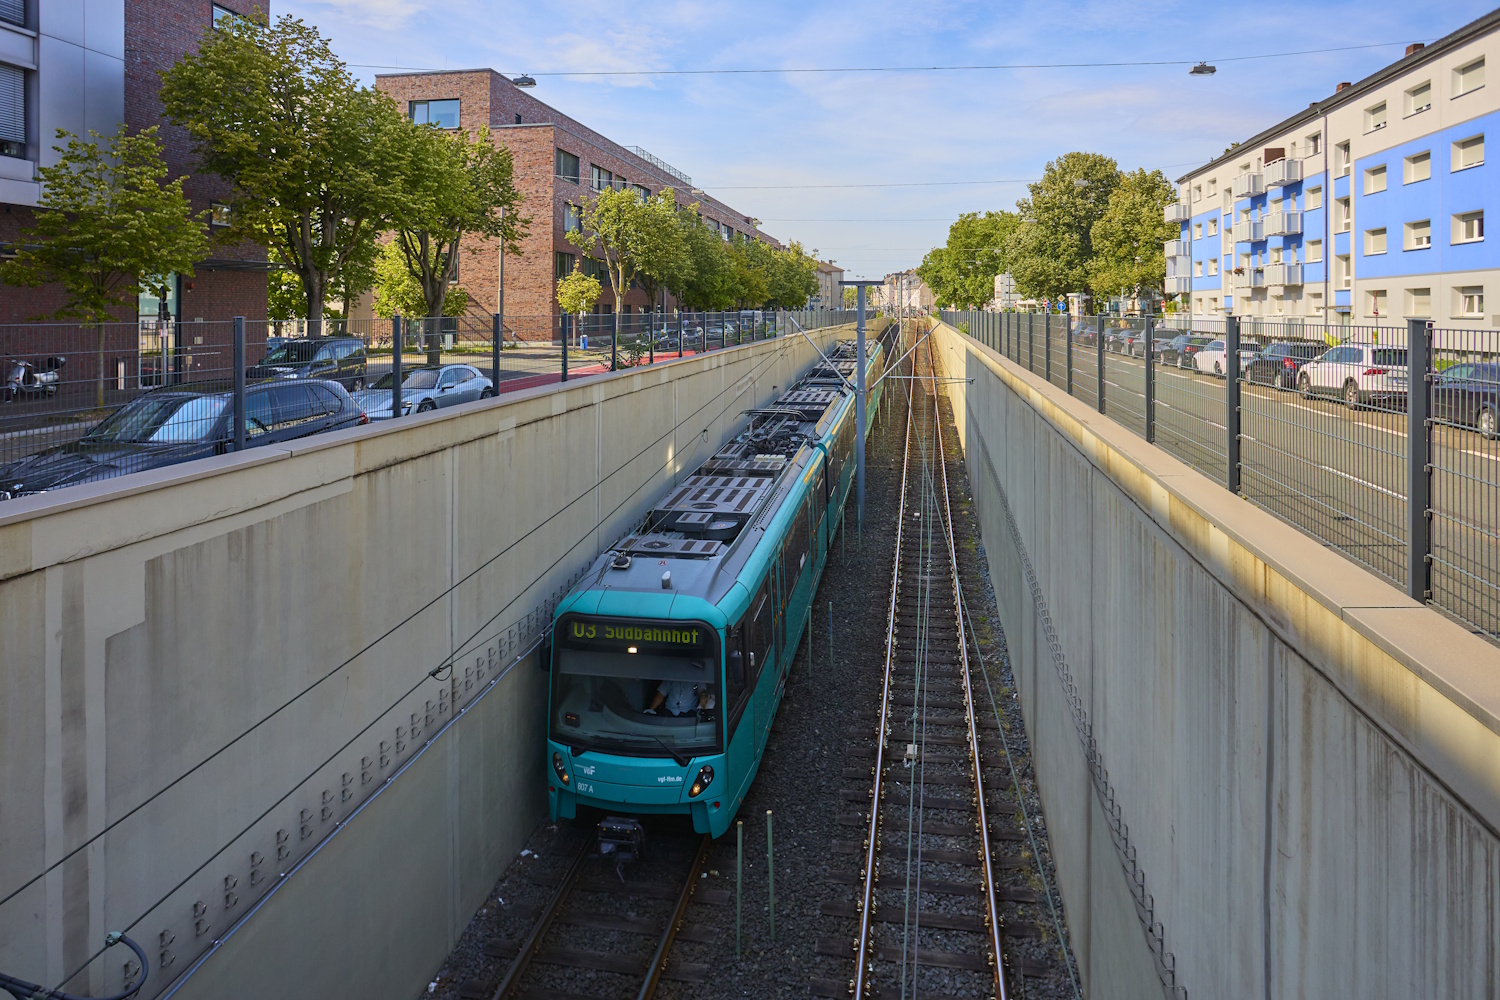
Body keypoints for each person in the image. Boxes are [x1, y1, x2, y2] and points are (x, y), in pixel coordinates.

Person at [644, 679, 715, 716]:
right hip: (669, 711)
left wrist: (703, 696)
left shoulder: (697, 677)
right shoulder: (671, 676)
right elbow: (661, 693)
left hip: (689, 713)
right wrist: (651, 709)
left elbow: (703, 691)